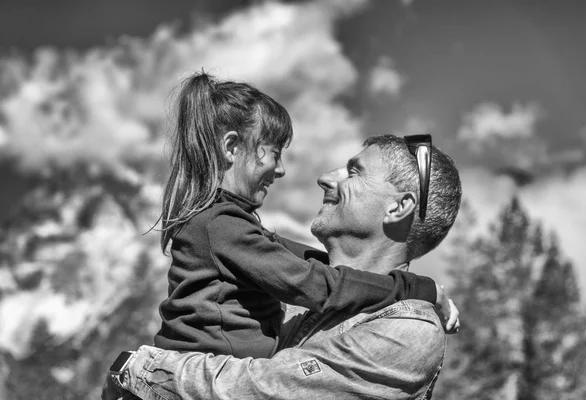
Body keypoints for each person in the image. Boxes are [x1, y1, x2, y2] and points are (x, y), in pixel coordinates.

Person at [104, 133, 462, 400]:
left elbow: (262, 389)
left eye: (354, 172)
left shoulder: (408, 331)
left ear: (399, 208)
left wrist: (141, 368)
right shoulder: (290, 287)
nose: (326, 177)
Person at [148, 71, 450, 362]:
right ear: (231, 147)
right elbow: (315, 284)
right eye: (275, 153)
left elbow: (300, 259)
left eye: (355, 172)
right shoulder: (223, 227)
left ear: (400, 207)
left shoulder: (224, 224)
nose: (280, 170)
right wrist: (415, 288)